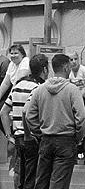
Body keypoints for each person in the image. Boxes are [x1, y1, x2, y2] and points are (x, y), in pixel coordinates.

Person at [26, 53, 85, 189]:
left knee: (41, 182)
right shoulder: (72, 90)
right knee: (59, 183)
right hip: (66, 140)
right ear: (66, 67)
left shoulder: (39, 90)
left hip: (46, 140)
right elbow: (82, 118)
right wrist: (77, 137)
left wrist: (39, 132)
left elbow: (29, 115)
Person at [0, 54, 49, 189]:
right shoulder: (38, 88)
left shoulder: (18, 85)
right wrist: (30, 133)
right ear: (45, 70)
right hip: (31, 137)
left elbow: (3, 112)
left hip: (18, 138)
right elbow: (26, 112)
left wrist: (9, 135)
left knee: (19, 174)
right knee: (31, 178)